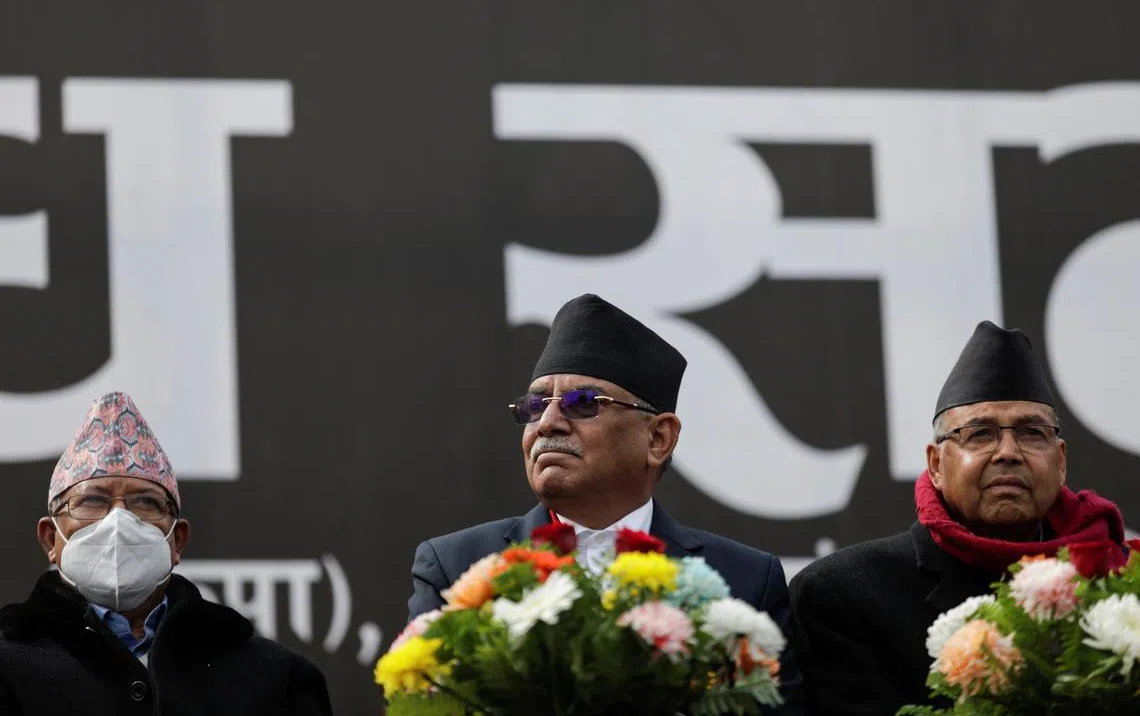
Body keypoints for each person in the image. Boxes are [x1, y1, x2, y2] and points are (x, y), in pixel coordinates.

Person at [406, 293, 803, 710]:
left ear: (658, 438)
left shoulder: (743, 582)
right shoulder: (458, 570)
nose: (547, 423)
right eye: (535, 405)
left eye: (583, 403)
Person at [789, 321, 1126, 715]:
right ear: (935, 464)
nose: (1008, 452)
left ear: (1061, 461)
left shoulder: (1114, 582)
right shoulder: (843, 595)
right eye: (980, 434)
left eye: (1032, 432)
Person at [0, 391, 333, 716]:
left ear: (178, 541)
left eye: (146, 502)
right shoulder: (8, 667)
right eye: (93, 501)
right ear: (49, 539)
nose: (119, 521)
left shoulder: (273, 679)